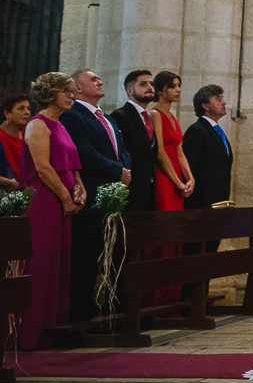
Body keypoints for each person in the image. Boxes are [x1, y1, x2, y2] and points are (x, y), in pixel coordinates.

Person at [18, 73, 84, 348]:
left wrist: (80, 189)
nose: (71, 95)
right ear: (50, 93)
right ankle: (29, 334)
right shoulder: (37, 125)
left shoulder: (61, 125)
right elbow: (43, 168)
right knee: (41, 263)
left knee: (58, 263)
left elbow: (73, 166)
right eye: (66, 91)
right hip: (44, 201)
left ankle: (50, 330)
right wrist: (65, 197)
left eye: (72, 91)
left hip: (61, 200)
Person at [60, 68, 130, 321]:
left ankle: (112, 311)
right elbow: (84, 153)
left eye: (99, 78)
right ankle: (81, 316)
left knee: (115, 256)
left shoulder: (108, 118)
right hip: (91, 198)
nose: (100, 81)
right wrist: (117, 171)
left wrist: (125, 168)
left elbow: (122, 150)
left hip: (113, 198)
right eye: (93, 79)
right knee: (86, 259)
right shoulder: (73, 116)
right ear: (77, 88)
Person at [148, 71, 193, 305]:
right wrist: (176, 181)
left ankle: (172, 297)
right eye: (173, 86)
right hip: (165, 178)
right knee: (165, 233)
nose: (178, 90)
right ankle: (157, 297)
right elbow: (160, 153)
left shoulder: (173, 117)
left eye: (178, 86)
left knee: (176, 235)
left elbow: (180, 151)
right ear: (160, 90)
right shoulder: (155, 114)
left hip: (177, 179)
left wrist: (190, 178)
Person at [183, 84, 234, 252]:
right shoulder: (197, 131)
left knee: (211, 251)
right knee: (197, 253)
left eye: (222, 98)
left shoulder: (216, 130)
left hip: (218, 204)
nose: (224, 102)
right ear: (205, 105)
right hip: (202, 206)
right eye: (218, 99)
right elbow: (189, 167)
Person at [111, 70, 158, 212]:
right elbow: (118, 152)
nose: (150, 87)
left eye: (151, 84)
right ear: (130, 91)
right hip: (130, 186)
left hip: (147, 186)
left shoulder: (147, 117)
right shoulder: (121, 115)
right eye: (143, 84)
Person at [0, 93, 30, 193]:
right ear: (6, 114)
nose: (27, 112)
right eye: (21, 109)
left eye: (28, 108)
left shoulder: (27, 137)